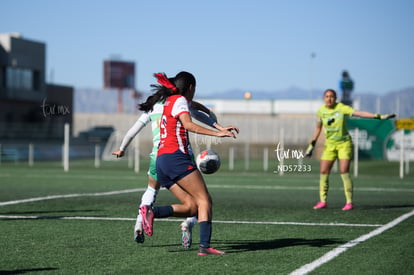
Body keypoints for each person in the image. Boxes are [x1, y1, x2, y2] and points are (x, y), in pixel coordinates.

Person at [112, 81, 237, 248]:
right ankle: (189, 226)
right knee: (200, 199)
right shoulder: (178, 103)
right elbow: (195, 115)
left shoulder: (155, 106)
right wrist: (216, 125)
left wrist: (122, 148)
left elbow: (134, 129)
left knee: (151, 190)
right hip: (178, 155)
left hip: (157, 157)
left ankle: (139, 223)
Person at [305, 89, 395, 210]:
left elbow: (359, 113)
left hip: (344, 144)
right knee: (323, 172)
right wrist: (311, 145)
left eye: (331, 96)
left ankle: (349, 202)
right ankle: (323, 201)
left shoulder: (341, 108)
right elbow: (318, 129)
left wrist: (378, 116)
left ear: (335, 98)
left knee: (344, 171)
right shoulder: (321, 111)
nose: (329, 98)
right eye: (326, 96)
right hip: (330, 146)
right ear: (324, 98)